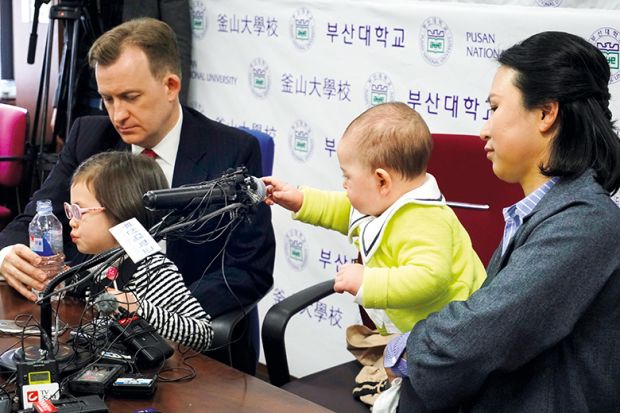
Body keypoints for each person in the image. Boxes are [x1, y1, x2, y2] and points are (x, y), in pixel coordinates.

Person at [388, 31, 620, 412]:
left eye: (494, 108)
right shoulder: (549, 210)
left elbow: (482, 334)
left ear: (546, 113)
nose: (483, 129)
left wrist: (403, 350)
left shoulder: (585, 223)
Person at [0, 18, 275, 321]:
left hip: (184, 332)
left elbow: (248, 268)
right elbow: (36, 216)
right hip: (89, 315)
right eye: (108, 99)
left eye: (130, 97)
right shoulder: (88, 137)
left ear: (170, 86)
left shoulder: (232, 151)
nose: (118, 115)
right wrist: (7, 255)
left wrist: (162, 315)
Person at [263, 102, 486, 335]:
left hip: (451, 339)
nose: (344, 183)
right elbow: (343, 209)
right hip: (416, 335)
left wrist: (368, 282)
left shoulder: (425, 219)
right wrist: (300, 199)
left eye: (347, 176)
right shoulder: (389, 202)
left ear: (382, 181)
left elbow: (429, 277)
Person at [68, 151, 211, 352]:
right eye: (70, 210)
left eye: (79, 212)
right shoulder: (99, 259)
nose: (72, 221)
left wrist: (137, 307)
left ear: (120, 211)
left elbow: (202, 334)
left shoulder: (153, 269)